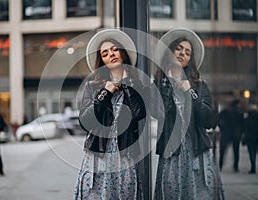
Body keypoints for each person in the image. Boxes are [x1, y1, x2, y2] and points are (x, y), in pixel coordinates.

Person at [73, 29, 146, 199]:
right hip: (98, 155)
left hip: (125, 155)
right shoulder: (92, 86)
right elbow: (85, 121)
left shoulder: (136, 85)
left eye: (114, 49)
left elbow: (139, 113)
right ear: (102, 61)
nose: (111, 54)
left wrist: (127, 85)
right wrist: (105, 92)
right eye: (105, 53)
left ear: (122, 53)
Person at [153, 28, 224, 199]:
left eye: (187, 52)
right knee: (171, 193)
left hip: (197, 150)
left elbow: (210, 120)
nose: (182, 53)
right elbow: (158, 113)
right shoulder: (157, 84)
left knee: (200, 194)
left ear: (190, 59)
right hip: (172, 153)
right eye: (178, 49)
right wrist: (168, 86)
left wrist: (190, 92)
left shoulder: (200, 85)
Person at [218, 99, 244, 172]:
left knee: (223, 151)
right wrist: (241, 132)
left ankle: (220, 165)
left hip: (225, 133)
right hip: (235, 133)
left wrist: (222, 128)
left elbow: (219, 120)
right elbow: (242, 124)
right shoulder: (239, 113)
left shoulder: (224, 112)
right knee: (236, 151)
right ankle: (235, 166)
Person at [243, 104, 258, 174]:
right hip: (255, 137)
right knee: (254, 151)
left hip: (249, 137)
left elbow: (245, 127)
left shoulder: (247, 118)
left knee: (251, 152)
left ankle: (253, 166)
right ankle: (253, 166)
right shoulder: (256, 119)